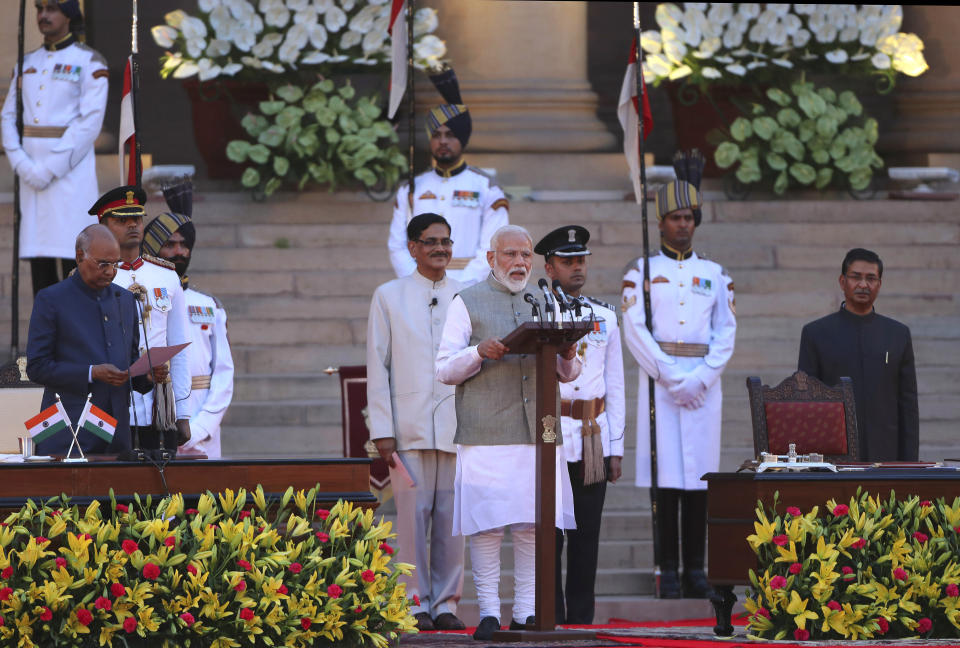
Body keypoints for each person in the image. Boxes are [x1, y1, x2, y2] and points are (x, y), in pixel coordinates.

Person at [436, 224, 579, 640]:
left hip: (539, 432)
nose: (519, 262)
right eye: (510, 254)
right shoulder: (469, 301)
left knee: (531, 525)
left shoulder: (546, 300)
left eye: (526, 255)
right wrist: (478, 352)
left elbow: (568, 374)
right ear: (491, 258)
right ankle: (488, 614)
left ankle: (526, 613)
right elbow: (444, 368)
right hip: (487, 430)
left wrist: (568, 352)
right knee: (487, 526)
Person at [621, 171, 736, 599]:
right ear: (661, 222)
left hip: (704, 389)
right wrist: (671, 377)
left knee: (700, 480)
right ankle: (666, 567)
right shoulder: (641, 272)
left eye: (689, 217)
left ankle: (696, 569)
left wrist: (702, 378)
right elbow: (634, 329)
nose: (682, 224)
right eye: (674, 217)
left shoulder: (715, 273)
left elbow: (726, 331)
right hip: (661, 386)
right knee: (665, 479)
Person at [367, 213, 466, 632]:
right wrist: (383, 431)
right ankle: (412, 603)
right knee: (410, 523)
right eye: (431, 242)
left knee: (452, 523)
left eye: (446, 242)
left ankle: (447, 604)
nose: (440, 249)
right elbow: (378, 364)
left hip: (458, 428)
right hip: (406, 427)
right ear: (412, 248)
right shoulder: (389, 295)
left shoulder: (466, 294)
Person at [534, 225, 626, 624]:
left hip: (593, 433)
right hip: (551, 431)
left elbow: (616, 384)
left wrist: (616, 446)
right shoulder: (536, 312)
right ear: (549, 266)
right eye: (567, 261)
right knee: (549, 533)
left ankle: (581, 620)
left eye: (580, 260)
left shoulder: (604, 315)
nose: (576, 267)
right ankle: (549, 615)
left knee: (587, 533)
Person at [1, 0, 108, 295]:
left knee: (74, 258)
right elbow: (8, 117)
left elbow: (89, 124)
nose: (43, 15)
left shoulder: (90, 62)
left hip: (68, 177)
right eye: (39, 9)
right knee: (41, 264)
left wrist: (48, 169)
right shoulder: (27, 63)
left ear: (69, 14)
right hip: (31, 178)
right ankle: (46, 338)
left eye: (52, 9)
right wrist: (22, 164)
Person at [25, 224, 152, 456]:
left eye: (115, 264)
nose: (111, 271)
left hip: (118, 430)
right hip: (68, 429)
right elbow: (37, 367)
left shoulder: (124, 299)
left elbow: (129, 360)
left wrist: (148, 375)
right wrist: (92, 372)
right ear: (80, 256)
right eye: (103, 264)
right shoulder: (51, 299)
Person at [91, 185, 192, 453]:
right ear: (102, 226)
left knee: (161, 486)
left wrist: (183, 411)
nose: (132, 225)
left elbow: (179, 346)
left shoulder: (166, 275)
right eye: (122, 220)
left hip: (159, 400)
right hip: (110, 399)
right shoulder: (91, 277)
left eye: (136, 218)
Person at [388, 67, 509, 286]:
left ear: (462, 139)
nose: (443, 141)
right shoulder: (411, 189)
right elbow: (397, 245)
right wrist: (418, 282)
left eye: (450, 135)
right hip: (419, 286)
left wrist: (459, 286)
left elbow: (493, 246)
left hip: (470, 288)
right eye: (437, 135)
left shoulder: (486, 188)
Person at [798, 248, 919, 461]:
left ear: (879, 285)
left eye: (871, 278)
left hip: (885, 455)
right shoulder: (816, 333)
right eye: (856, 277)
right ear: (842, 281)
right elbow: (806, 402)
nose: (863, 284)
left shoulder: (897, 334)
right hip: (833, 457)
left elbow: (908, 406)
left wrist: (909, 463)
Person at [142, 180, 234, 460]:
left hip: (202, 424)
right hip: (151, 417)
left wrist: (201, 426)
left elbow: (223, 374)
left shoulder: (208, 306)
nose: (179, 251)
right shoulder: (137, 296)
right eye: (170, 244)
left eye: (184, 245)